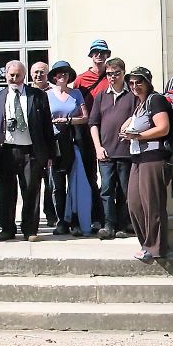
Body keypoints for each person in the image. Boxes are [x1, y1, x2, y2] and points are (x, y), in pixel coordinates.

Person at [0, 60, 56, 242]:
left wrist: (49, 154)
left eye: (18, 75)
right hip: (5, 151)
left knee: (31, 191)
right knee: (5, 192)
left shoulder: (38, 96)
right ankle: (7, 228)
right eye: (11, 75)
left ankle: (30, 229)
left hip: (31, 151)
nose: (14, 78)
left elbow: (47, 126)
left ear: (24, 76)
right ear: (6, 75)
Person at [119, 67, 172, 263]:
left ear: (148, 82)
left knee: (152, 204)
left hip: (154, 157)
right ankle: (146, 244)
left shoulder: (155, 100)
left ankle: (157, 248)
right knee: (134, 203)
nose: (134, 86)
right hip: (138, 157)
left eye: (138, 82)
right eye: (131, 83)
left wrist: (138, 136)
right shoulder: (140, 104)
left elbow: (163, 127)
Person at [89, 57, 137, 240]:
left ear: (123, 73)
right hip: (105, 152)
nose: (112, 77)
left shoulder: (132, 95)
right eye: (109, 74)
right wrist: (97, 148)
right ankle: (108, 225)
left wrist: (129, 121)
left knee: (124, 190)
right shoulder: (101, 95)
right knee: (107, 189)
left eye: (116, 73)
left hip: (126, 151)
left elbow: (140, 114)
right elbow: (93, 123)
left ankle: (122, 224)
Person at [45, 61, 92, 237]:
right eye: (58, 74)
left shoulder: (76, 93)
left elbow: (85, 117)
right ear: (54, 77)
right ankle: (60, 221)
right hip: (55, 144)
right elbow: (43, 120)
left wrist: (68, 121)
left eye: (65, 73)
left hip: (73, 143)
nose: (62, 76)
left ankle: (76, 221)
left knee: (75, 184)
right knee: (57, 185)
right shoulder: (47, 95)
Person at [73, 39, 111, 230]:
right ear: (91, 55)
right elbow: (74, 104)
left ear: (107, 55)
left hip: (107, 131)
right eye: (95, 52)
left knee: (109, 177)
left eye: (102, 53)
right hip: (86, 132)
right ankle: (94, 215)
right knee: (90, 177)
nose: (99, 56)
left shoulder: (111, 76)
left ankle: (108, 218)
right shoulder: (81, 79)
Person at [30, 60, 58, 227]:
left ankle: (51, 215)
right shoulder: (27, 92)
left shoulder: (54, 92)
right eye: (36, 72)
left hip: (48, 143)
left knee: (50, 184)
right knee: (32, 185)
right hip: (31, 145)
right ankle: (32, 217)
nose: (39, 75)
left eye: (42, 72)